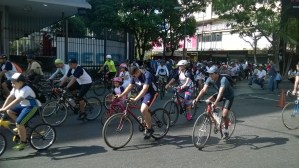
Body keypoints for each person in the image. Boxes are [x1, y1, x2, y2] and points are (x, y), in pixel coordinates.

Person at [0, 73, 41, 150]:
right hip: (23, 106)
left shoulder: (26, 89)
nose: (12, 85)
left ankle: (23, 142)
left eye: (14, 83)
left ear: (20, 82)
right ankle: (23, 127)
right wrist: (3, 108)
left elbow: (17, 100)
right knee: (9, 111)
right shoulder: (16, 88)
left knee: (19, 123)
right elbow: (10, 97)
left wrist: (4, 109)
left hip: (32, 107)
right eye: (12, 83)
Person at [193, 66, 234, 139]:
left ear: (217, 74)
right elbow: (203, 90)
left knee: (224, 115)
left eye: (211, 74)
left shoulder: (223, 79)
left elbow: (221, 92)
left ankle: (226, 130)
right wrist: (197, 99)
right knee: (208, 101)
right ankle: (216, 116)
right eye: (209, 74)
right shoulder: (209, 79)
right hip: (220, 94)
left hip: (228, 96)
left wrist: (215, 102)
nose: (210, 75)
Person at [118, 66, 158, 139]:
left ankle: (149, 129)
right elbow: (130, 87)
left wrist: (135, 99)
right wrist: (121, 95)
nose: (133, 77)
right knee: (144, 110)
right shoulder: (134, 76)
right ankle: (146, 120)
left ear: (137, 71)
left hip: (151, 93)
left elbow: (145, 89)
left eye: (134, 75)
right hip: (142, 93)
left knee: (143, 110)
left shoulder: (147, 75)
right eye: (132, 76)